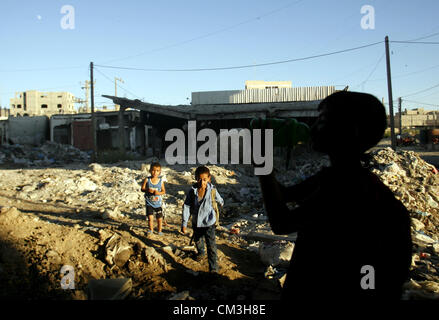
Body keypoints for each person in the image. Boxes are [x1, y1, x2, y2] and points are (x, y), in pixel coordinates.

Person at [257, 91, 412, 300]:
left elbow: (282, 224)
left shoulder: (351, 188)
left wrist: (262, 164)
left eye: (324, 120)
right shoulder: (333, 177)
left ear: (352, 130)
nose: (313, 128)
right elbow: (284, 195)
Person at [181, 166, 224, 274]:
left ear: (209, 179)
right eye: (199, 179)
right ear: (196, 178)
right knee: (198, 239)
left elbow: (219, 199)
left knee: (211, 245)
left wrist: (221, 203)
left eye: (204, 179)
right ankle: (201, 252)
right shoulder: (192, 191)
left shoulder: (212, 190)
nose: (202, 182)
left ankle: (213, 268)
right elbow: (186, 206)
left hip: (209, 222)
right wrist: (184, 223)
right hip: (197, 221)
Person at [141, 162, 166, 235]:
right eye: (153, 170)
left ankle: (159, 230)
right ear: (150, 171)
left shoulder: (161, 181)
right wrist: (147, 190)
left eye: (157, 171)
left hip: (158, 203)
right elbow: (142, 189)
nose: (155, 172)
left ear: (160, 172)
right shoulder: (147, 180)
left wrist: (158, 193)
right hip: (149, 203)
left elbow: (163, 191)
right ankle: (150, 230)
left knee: (159, 218)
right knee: (150, 217)